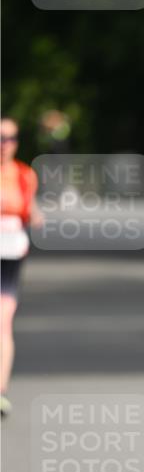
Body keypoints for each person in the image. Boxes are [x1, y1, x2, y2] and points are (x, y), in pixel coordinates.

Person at [0, 118, 41, 416]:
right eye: (0, 138)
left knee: (3, 321)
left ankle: (0, 391)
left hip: (10, 254)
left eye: (11, 138)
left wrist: (36, 216)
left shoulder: (25, 175)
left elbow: (30, 210)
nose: (5, 145)